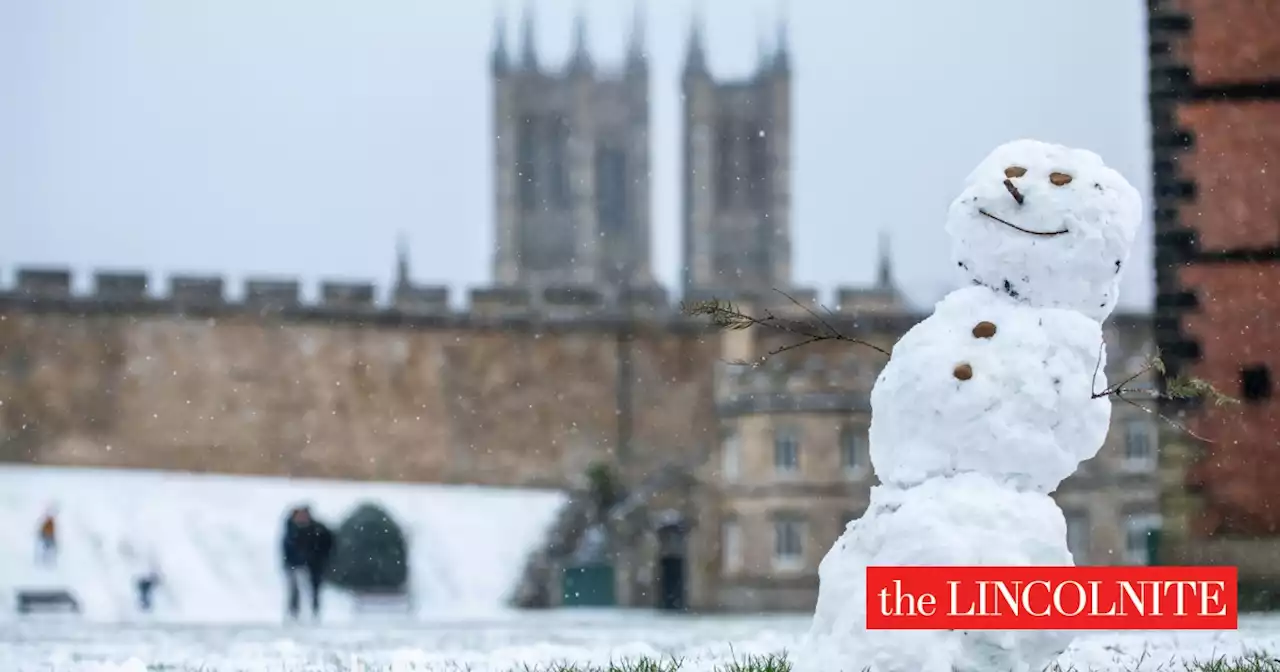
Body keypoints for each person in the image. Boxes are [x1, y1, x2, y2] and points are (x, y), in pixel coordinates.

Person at [281, 505, 334, 620]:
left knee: (313, 589)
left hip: (312, 565)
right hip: (295, 564)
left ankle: (313, 611)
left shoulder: (316, 530)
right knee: (295, 590)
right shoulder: (292, 531)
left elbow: (325, 544)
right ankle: (294, 612)